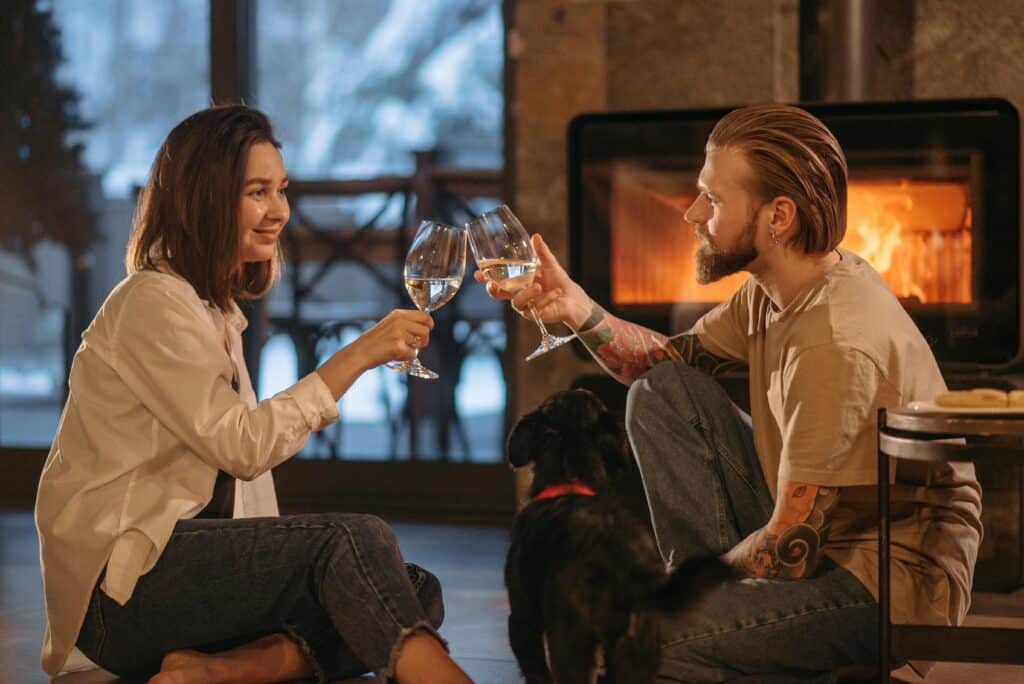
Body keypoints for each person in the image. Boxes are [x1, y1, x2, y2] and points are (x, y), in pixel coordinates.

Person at [482, 104, 983, 682]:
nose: (692, 213)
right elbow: (665, 362)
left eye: (713, 201)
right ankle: (752, 645)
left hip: (881, 584)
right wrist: (575, 308)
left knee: (643, 636)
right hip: (820, 540)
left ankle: (763, 646)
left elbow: (791, 547)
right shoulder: (777, 288)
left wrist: (673, 592)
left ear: (779, 217)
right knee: (661, 392)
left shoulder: (833, 343)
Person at [35, 105, 472, 684]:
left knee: (409, 586)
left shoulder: (212, 309)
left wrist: (290, 572)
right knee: (354, 542)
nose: (280, 212)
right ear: (206, 197)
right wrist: (357, 355)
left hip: (181, 573)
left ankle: (218, 671)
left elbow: (246, 494)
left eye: (282, 190)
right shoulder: (150, 303)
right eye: (258, 192)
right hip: (120, 598)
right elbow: (243, 448)